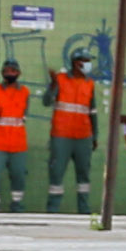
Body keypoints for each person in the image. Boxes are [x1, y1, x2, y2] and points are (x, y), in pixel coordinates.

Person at [45, 49, 98, 216]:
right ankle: (53, 210)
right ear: (77, 63)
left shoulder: (90, 84)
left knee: (84, 176)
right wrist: (53, 85)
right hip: (61, 136)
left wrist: (95, 136)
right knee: (56, 174)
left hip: (83, 136)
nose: (89, 64)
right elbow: (46, 101)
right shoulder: (60, 80)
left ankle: (84, 210)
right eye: (86, 60)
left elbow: (93, 112)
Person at [0, 60, 34, 213]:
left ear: (18, 73)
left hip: (18, 144)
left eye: (13, 70)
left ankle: (17, 206)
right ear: (2, 73)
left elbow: (24, 115)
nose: (10, 73)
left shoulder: (25, 92)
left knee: (19, 176)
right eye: (7, 70)